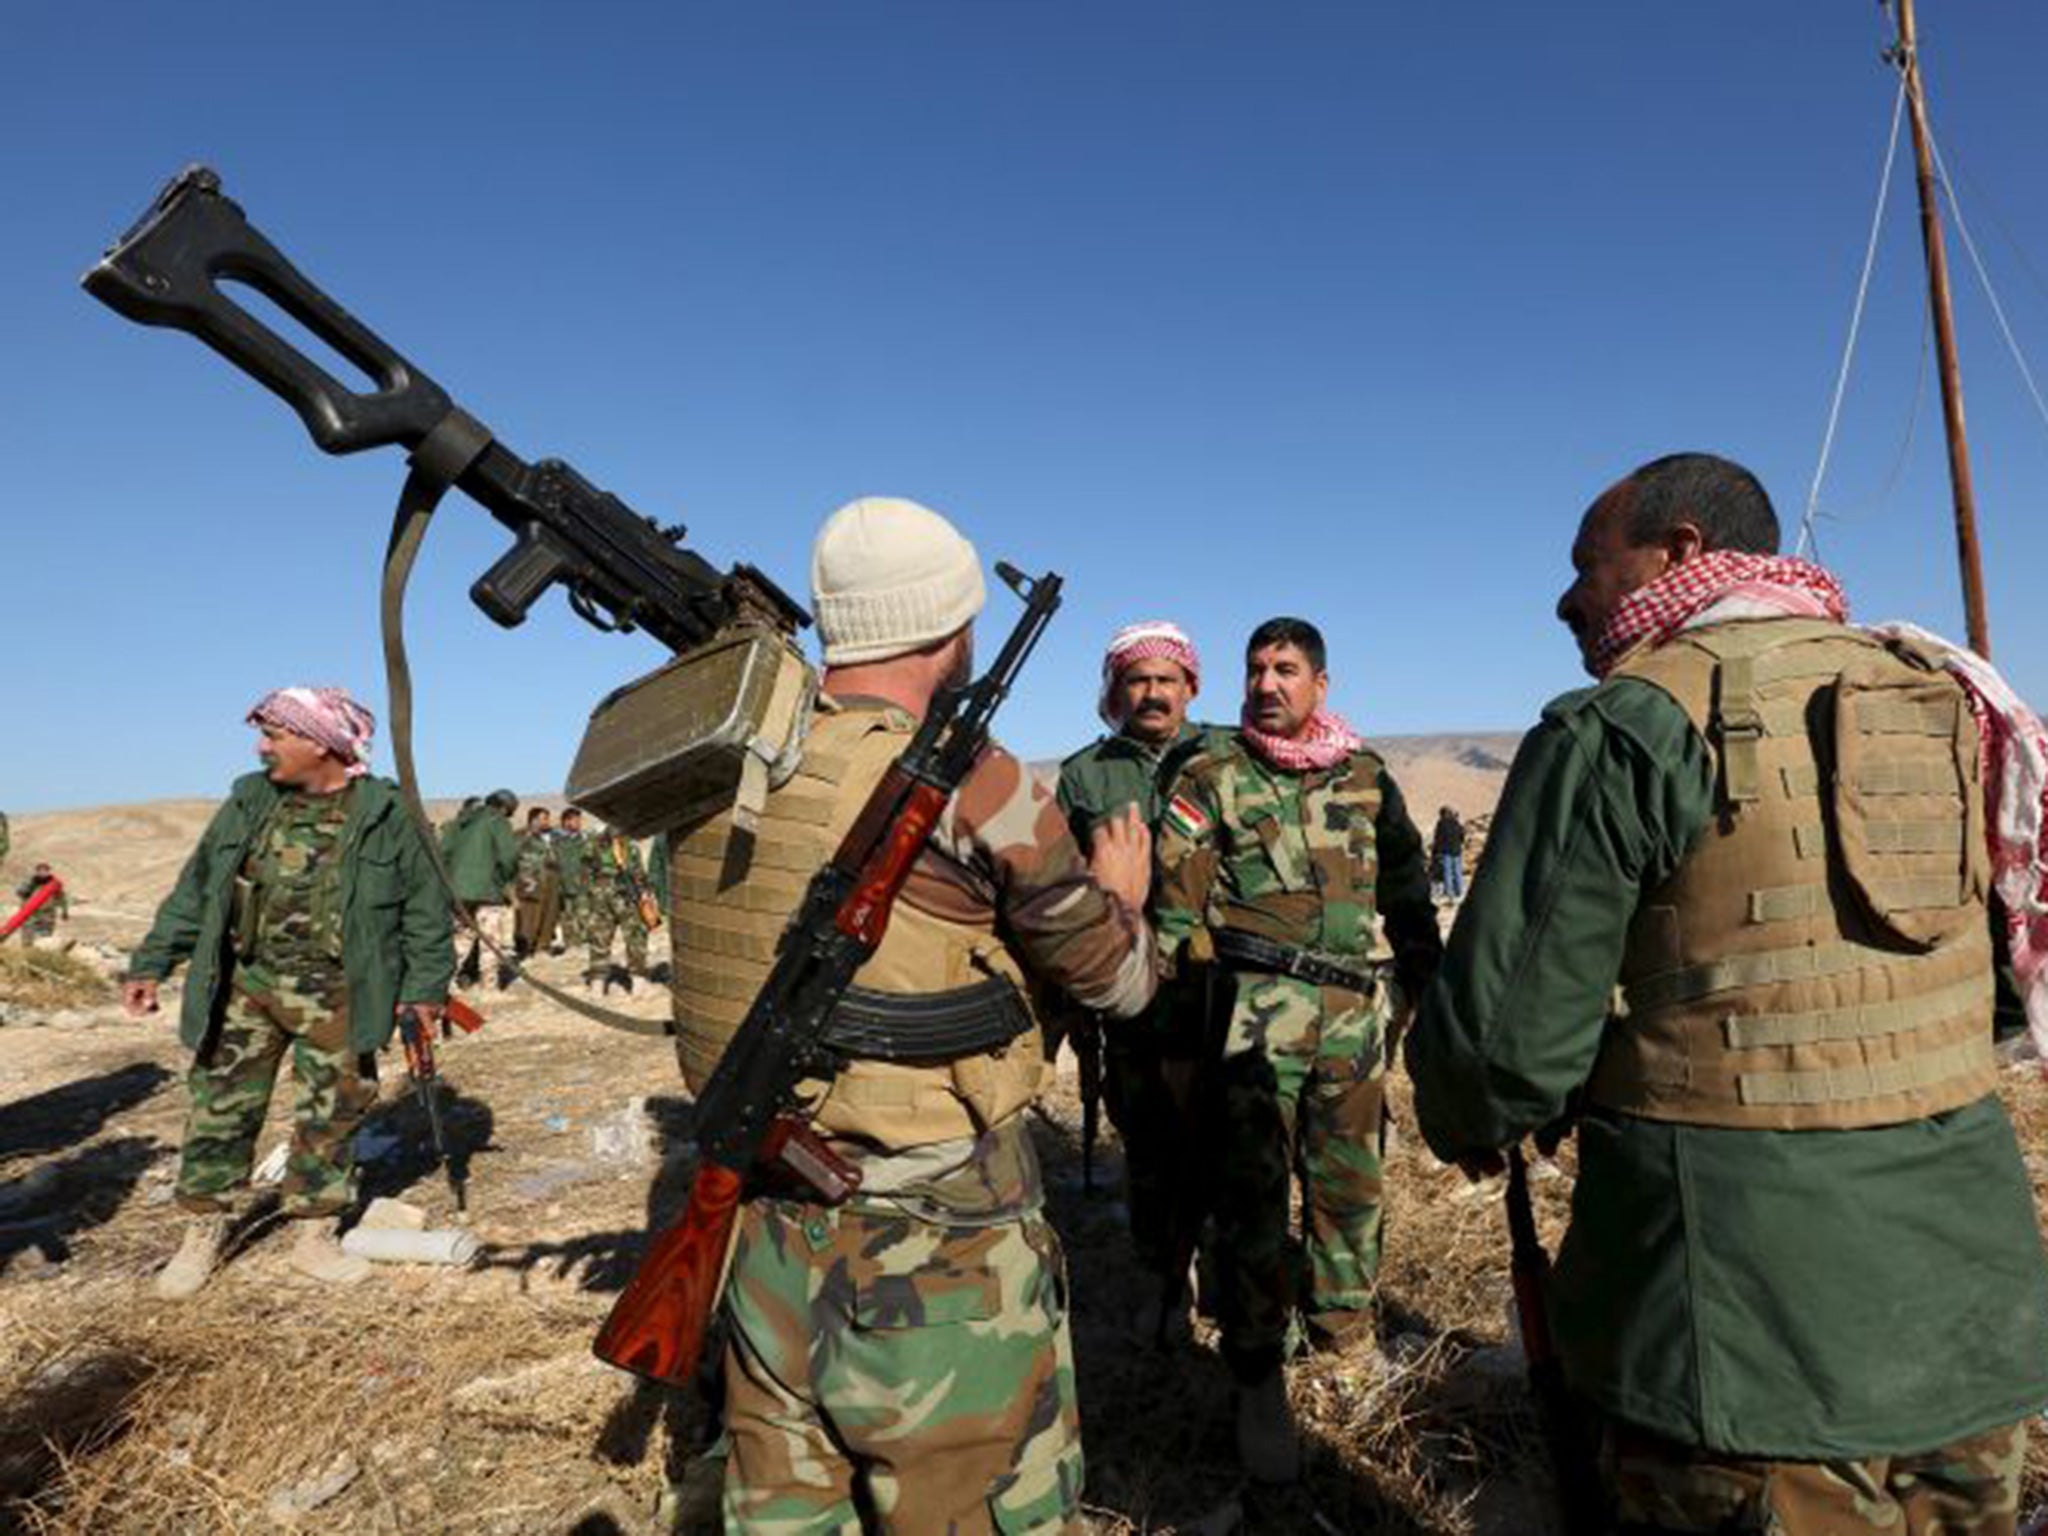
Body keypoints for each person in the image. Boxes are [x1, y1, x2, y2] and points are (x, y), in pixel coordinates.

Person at [1407, 452, 2048, 1535]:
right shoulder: (1946, 699)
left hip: (1740, 1342)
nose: (1566, 596)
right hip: (1968, 1320)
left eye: (1586, 563)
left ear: (1682, 551)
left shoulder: (1620, 726)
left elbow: (1496, 1052)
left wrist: (1487, 1110)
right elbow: (1992, 989)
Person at [666, 495, 1156, 1531]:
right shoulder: (984, 788)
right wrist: (1126, 896)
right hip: (939, 1252)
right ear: (952, 631)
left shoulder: (720, 763)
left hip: (765, 1228)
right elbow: (1117, 983)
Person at [1152, 617, 1441, 1483]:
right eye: (1255, 669)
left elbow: (1405, 883)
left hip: (1354, 1010)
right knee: (1251, 1195)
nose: (1267, 684)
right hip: (1252, 1012)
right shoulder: (1211, 775)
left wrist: (1426, 975)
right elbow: (1174, 914)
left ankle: (1344, 1337)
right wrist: (1179, 1030)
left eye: (1285, 669)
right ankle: (1255, 1373)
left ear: (1322, 684)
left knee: (1350, 1183)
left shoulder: (1365, 778)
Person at [121, 687, 452, 1297]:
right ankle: (202, 1233)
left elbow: (426, 912)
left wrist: (425, 988)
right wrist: (151, 963)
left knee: (332, 1113)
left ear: (319, 743)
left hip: (342, 992)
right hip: (246, 984)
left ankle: (313, 1237)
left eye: (275, 735)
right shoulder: (250, 800)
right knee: (220, 1109)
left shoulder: (388, 813)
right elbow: (197, 890)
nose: (262, 746)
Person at [1056, 619, 1222, 1339]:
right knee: (1147, 1141)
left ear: (1190, 687)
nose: (1152, 694)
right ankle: (1163, 1284)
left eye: (1166, 680)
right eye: (1137, 680)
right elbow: (1058, 886)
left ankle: (1229, 1277)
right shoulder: (1083, 774)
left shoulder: (1230, 756)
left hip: (1223, 986)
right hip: (1130, 989)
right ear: (1116, 691)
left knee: (1230, 1136)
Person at [442, 788, 520, 987]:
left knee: (460, 938)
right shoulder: (497, 821)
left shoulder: (458, 822)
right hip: (488, 891)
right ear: (504, 807)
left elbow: (443, 853)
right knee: (489, 941)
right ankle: (489, 986)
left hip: (456, 890)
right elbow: (508, 857)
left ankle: (446, 982)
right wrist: (504, 880)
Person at [584, 825, 651, 989]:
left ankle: (637, 976)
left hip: (628, 896)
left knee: (636, 935)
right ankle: (598, 979)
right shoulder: (593, 845)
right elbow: (585, 872)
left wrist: (644, 892)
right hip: (601, 897)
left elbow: (639, 872)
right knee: (600, 936)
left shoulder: (631, 846)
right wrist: (589, 895)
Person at [512, 806, 562, 960]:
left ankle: (543, 946)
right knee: (529, 916)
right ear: (533, 820)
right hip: (530, 881)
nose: (548, 822)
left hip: (551, 878)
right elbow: (512, 856)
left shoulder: (552, 836)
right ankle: (525, 949)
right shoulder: (520, 835)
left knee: (550, 913)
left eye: (548, 818)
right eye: (544, 818)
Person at [553, 805, 591, 951]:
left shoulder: (586, 840)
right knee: (566, 918)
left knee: (584, 916)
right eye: (576, 820)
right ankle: (571, 945)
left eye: (579, 820)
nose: (579, 823)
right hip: (562, 887)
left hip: (582, 886)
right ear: (566, 822)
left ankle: (586, 943)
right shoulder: (556, 842)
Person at [11, 861, 69, 947]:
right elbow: (19, 892)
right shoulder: (30, 882)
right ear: (37, 871)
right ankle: (28, 956)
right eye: (40, 870)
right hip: (29, 916)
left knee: (44, 939)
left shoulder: (54, 885)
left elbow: (62, 898)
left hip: (47, 916)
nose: (43, 873)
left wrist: (65, 912)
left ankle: (40, 956)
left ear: (48, 871)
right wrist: (30, 885)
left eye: (45, 870)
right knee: (27, 939)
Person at [1429, 805, 1466, 903]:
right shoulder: (1456, 823)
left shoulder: (1441, 824)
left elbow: (1438, 838)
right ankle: (1459, 891)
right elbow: (1462, 835)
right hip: (1456, 851)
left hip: (1446, 851)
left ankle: (1449, 893)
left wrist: (1436, 851)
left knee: (1447, 872)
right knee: (1457, 871)